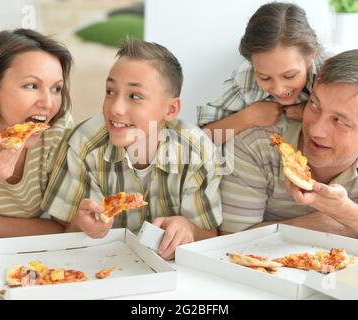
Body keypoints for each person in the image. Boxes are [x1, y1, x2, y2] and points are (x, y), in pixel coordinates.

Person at [42, 39, 223, 260]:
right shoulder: (84, 144)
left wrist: (189, 228)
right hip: (101, 264)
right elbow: (62, 232)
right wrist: (83, 227)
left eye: (135, 96)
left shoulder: (197, 152)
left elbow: (210, 236)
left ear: (171, 109)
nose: (115, 108)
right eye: (110, 91)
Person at [220, 49, 358, 248]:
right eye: (315, 105)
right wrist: (313, 225)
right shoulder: (255, 142)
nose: (316, 130)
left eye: (339, 121)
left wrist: (344, 212)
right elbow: (227, 243)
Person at [0, 29, 75, 247]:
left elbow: (64, 228)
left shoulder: (58, 130)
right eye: (31, 85)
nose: (48, 104)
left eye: (56, 88)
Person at [198, 2, 328, 143]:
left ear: (311, 57)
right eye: (265, 78)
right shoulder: (245, 78)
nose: (279, 89)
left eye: (289, 75)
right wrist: (247, 117)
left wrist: (313, 114)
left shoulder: (331, 70)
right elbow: (201, 139)